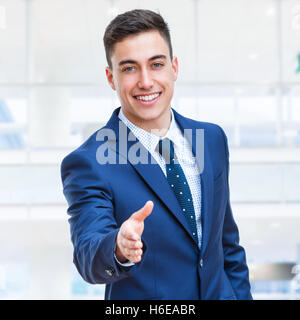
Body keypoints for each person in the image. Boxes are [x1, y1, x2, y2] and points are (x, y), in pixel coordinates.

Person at [61, 9, 252, 300]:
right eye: (129, 68)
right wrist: (118, 247)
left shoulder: (211, 139)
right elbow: (88, 252)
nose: (146, 81)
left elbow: (226, 245)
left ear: (174, 67)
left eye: (156, 64)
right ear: (111, 78)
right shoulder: (90, 160)